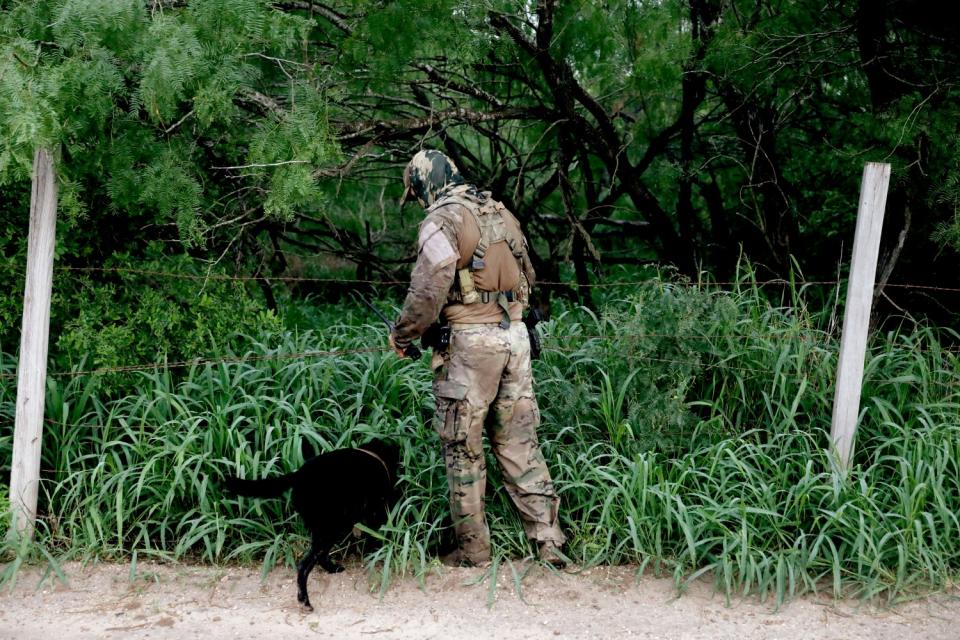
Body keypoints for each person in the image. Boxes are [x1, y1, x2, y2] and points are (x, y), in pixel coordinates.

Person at [388, 149, 566, 568]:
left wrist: (404, 333)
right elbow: (530, 276)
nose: (418, 202)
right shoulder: (501, 212)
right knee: (521, 443)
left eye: (415, 193)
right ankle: (549, 543)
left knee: (462, 447)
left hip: (470, 346)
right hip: (516, 337)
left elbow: (430, 287)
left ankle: (474, 551)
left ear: (424, 184)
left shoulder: (443, 218)